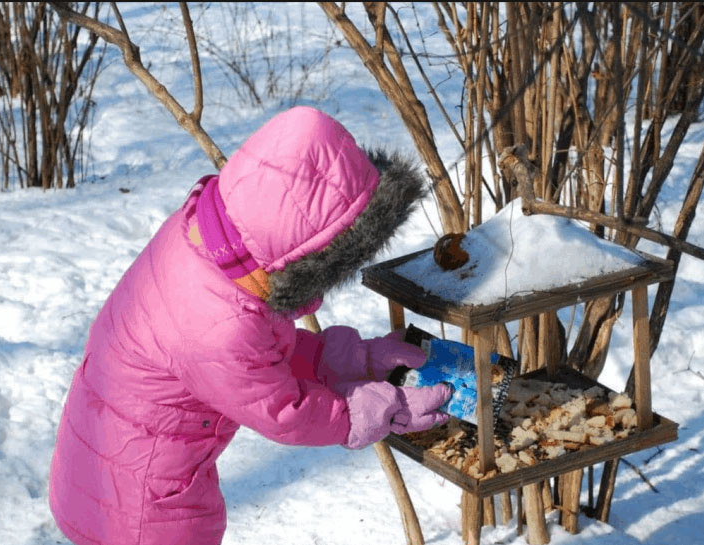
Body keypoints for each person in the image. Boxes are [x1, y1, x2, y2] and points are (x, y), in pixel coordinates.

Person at [48, 106, 452, 545]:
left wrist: (353, 359)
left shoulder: (210, 245)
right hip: (145, 510)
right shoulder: (219, 324)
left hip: (99, 472)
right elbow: (283, 408)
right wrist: (360, 414)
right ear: (306, 261)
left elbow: (253, 358)